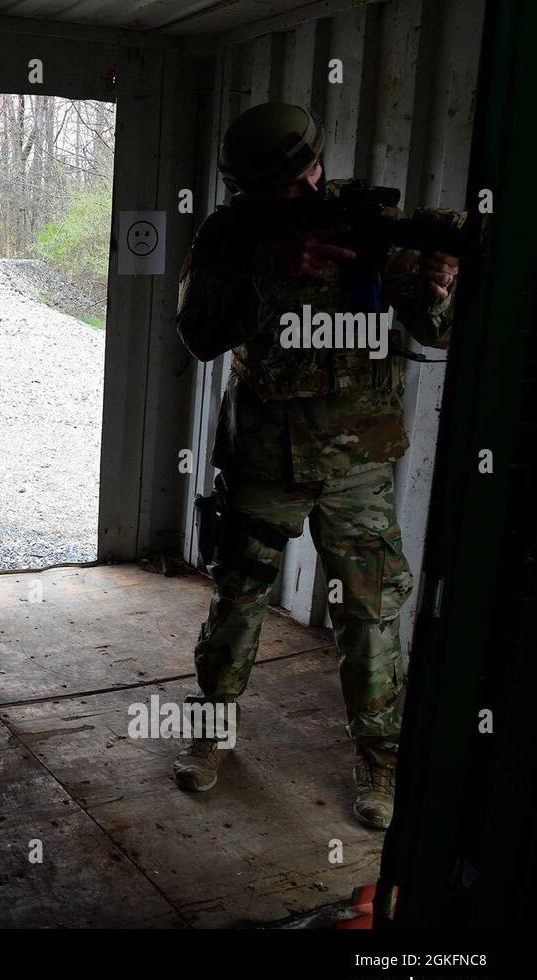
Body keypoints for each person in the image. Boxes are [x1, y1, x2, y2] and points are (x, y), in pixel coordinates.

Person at [173, 102, 462, 830]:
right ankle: (212, 730)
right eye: (284, 186)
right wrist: (270, 271)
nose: (304, 191)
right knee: (239, 598)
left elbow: (432, 329)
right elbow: (199, 334)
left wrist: (438, 290)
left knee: (371, 613)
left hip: (358, 460)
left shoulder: (365, 222)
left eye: (309, 175)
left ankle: (381, 762)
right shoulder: (230, 233)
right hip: (265, 455)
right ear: (248, 190)